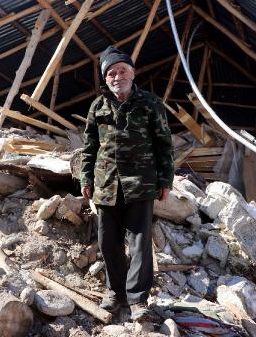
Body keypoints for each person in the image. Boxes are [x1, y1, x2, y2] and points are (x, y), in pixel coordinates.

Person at [80, 46, 174, 321]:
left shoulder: (150, 103)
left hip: (140, 183)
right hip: (106, 184)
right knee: (108, 242)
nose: (117, 76)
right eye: (111, 73)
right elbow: (90, 146)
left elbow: (164, 144)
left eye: (122, 71)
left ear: (132, 74)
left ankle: (137, 299)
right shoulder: (98, 106)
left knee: (140, 244)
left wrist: (165, 180)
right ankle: (115, 292)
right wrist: (86, 178)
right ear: (105, 78)